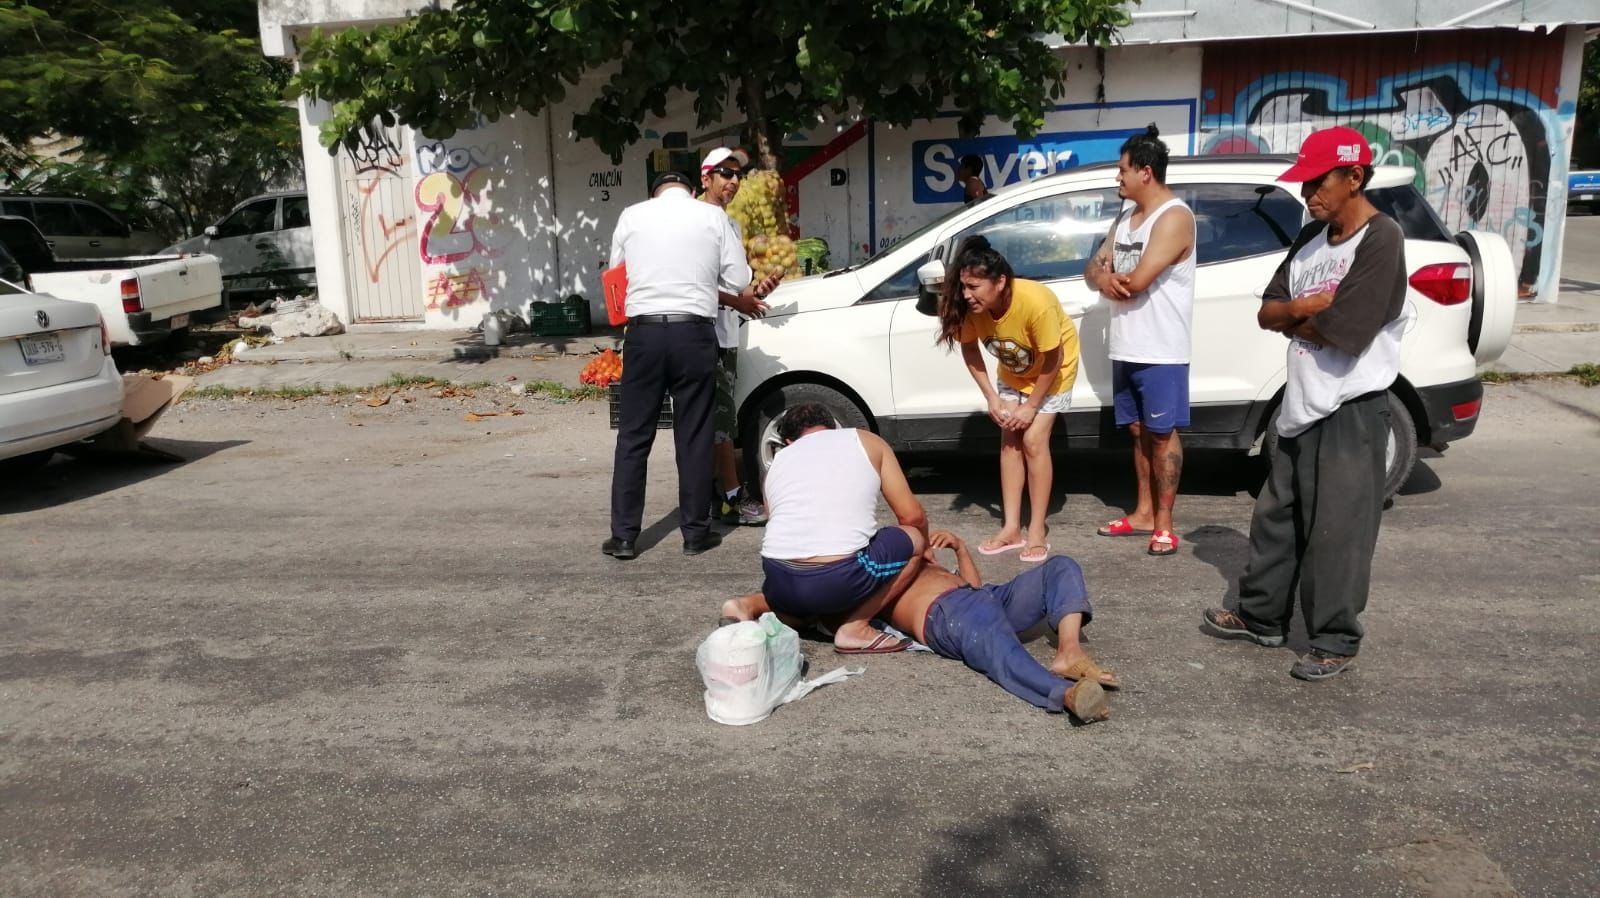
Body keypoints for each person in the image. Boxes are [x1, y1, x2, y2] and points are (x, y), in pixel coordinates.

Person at [1200, 126, 1408, 681]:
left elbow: (1349, 328)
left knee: (1339, 531)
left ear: (1354, 177)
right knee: (1276, 519)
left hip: (1352, 408)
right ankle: (1261, 616)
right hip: (1300, 403)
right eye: (1305, 183)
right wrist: (1309, 305)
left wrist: (1304, 315)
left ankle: (1335, 638)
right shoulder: (1310, 240)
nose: (1306, 194)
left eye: (1317, 182)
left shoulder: (1381, 239)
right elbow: (1268, 312)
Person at [721, 530, 1118, 722]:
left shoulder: (912, 560)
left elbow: (976, 588)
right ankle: (1063, 695)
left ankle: (1068, 649)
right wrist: (752, 604)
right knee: (997, 646)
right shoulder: (874, 575)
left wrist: (960, 549)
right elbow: (804, 604)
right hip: (947, 613)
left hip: (983, 598)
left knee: (1061, 567)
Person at [602, 171, 769, 560]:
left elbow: (616, 274)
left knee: (633, 437)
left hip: (643, 333)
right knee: (693, 434)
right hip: (693, 333)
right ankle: (695, 533)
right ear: (692, 191)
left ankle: (624, 537)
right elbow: (739, 277)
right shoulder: (711, 217)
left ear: (654, 193)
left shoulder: (631, 215)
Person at [724, 402, 929, 653]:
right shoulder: (866, 440)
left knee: (803, 609)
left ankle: (746, 605)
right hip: (836, 579)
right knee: (914, 539)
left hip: (779, 579)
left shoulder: (778, 462)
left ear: (789, 441)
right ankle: (856, 627)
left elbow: (777, 518)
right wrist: (927, 554)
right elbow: (912, 516)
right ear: (833, 427)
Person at [1084, 124, 1196, 558]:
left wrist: (1109, 278)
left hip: (1161, 350)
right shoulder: (1125, 218)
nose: (1118, 178)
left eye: (1123, 170)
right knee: (1137, 431)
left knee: (1162, 433)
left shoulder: (1174, 218)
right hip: (1126, 346)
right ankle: (1143, 512)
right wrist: (1104, 277)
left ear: (1145, 172)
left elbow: (1139, 280)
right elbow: (1093, 268)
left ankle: (1164, 525)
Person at [935, 235, 1080, 564]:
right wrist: (991, 398)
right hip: (1014, 373)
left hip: (1053, 372)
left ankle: (1037, 529)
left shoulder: (1035, 302)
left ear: (1000, 282)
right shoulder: (975, 309)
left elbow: (1053, 359)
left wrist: (1031, 406)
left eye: (974, 286)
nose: (967, 295)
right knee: (1009, 441)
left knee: (1032, 440)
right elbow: (970, 349)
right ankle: (1012, 528)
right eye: (964, 287)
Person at [697, 147, 780, 526]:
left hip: (728, 331)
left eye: (736, 175)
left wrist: (756, 292)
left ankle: (715, 493)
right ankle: (732, 499)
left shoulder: (729, 224)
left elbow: (735, 285)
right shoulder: (695, 221)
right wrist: (739, 300)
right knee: (721, 420)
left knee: (721, 419)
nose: (732, 181)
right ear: (706, 177)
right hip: (703, 333)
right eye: (724, 174)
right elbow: (690, 283)